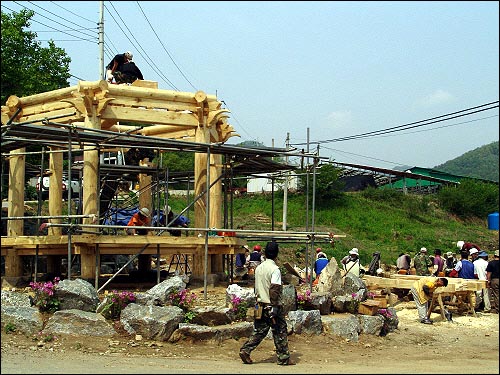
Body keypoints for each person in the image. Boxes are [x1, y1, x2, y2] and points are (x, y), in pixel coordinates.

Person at [239, 241, 294, 366]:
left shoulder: (259, 268)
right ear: (276, 254)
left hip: (259, 303)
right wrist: (274, 306)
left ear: (264, 252)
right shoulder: (275, 269)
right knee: (280, 330)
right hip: (271, 305)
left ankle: (246, 350)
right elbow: (274, 290)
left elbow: (257, 286)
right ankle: (283, 357)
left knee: (259, 330)